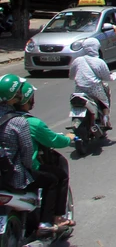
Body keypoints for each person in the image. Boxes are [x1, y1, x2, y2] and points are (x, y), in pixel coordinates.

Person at [0, 74, 67, 234]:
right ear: (15, 97)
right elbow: (27, 156)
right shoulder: (19, 122)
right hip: (14, 176)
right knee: (52, 179)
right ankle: (45, 223)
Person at [14, 81, 74, 231]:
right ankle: (51, 220)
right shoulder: (30, 123)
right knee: (56, 177)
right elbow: (53, 140)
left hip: (5, 171)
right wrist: (68, 139)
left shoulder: (5, 119)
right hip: (21, 172)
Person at [68, 38, 112, 130]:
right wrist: (115, 76)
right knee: (104, 103)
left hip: (79, 91)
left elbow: (71, 76)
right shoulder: (100, 62)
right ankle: (106, 120)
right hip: (95, 91)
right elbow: (107, 77)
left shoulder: (77, 60)